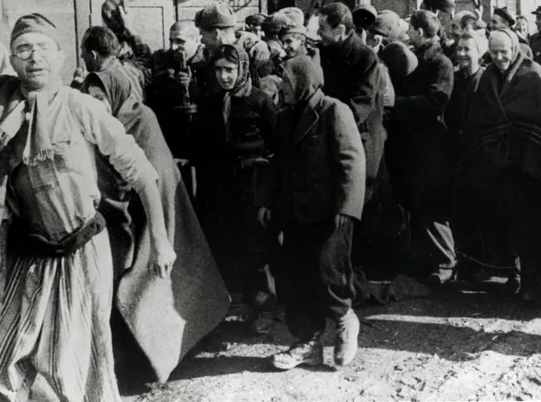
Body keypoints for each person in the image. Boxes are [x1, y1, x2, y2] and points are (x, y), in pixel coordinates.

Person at [0, 0, 175, 401]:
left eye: (43, 47)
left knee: (69, 367)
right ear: (12, 58)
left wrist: (162, 242)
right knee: (7, 365)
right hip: (24, 254)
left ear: (61, 57)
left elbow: (142, 173)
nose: (34, 57)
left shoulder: (82, 107)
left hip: (81, 253)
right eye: (23, 48)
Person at [83, 68, 227, 383]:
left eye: (100, 97)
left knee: (157, 283)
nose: (94, 104)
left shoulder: (141, 119)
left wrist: (156, 233)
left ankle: (167, 351)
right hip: (120, 211)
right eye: (88, 97)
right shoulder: (95, 124)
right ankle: (132, 358)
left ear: (115, 96)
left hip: (154, 210)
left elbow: (156, 174)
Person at [259, 55, 365, 370]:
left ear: (303, 81)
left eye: (287, 81)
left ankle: (345, 319)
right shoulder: (283, 117)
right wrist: (266, 201)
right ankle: (307, 342)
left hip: (328, 214)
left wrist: (347, 207)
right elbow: (276, 164)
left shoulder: (334, 111)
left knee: (327, 272)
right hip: (294, 213)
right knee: (295, 277)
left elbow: (351, 160)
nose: (282, 86)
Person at [457, 28, 541, 302]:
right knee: (504, 222)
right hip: (499, 166)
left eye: (504, 51)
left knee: (531, 223)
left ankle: (532, 280)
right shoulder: (488, 78)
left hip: (530, 165)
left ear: (515, 49)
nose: (499, 58)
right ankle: (513, 274)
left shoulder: (533, 74)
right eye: (493, 52)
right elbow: (480, 118)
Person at [191, 43, 278, 328]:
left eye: (230, 69)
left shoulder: (260, 101)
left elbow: (276, 148)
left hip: (251, 184)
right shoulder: (210, 101)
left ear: (242, 69)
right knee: (225, 242)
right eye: (218, 70)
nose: (224, 76)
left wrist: (267, 194)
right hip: (220, 185)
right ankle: (234, 305)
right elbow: (202, 144)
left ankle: (262, 308)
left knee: (254, 245)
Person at [386, 10, 457, 284]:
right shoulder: (415, 58)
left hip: (430, 146)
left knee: (431, 205)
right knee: (413, 203)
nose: (407, 34)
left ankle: (446, 263)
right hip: (410, 146)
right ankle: (422, 261)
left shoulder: (440, 63)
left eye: (410, 29)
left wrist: (396, 104)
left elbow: (436, 100)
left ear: (419, 31)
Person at [318, 3, 384, 203]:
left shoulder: (365, 58)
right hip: (330, 137)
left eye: (322, 28)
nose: (318, 33)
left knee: (355, 202)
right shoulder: (323, 52)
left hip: (356, 141)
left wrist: (325, 126)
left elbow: (360, 106)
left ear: (339, 30)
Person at [446, 30, 488, 280]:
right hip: (457, 154)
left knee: (479, 212)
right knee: (460, 211)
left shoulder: (487, 80)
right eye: (459, 49)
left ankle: (480, 265)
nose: (461, 54)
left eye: (467, 50)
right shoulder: (454, 78)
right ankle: (466, 263)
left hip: (480, 157)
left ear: (480, 53)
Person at [147, 20, 206, 162]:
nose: (173, 47)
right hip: (171, 139)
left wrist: (192, 85)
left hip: (201, 139)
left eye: (180, 41)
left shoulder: (208, 61)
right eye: (171, 41)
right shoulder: (161, 59)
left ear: (197, 40)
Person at [79, 25, 145, 102]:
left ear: (94, 55)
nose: (81, 56)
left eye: (83, 51)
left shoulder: (96, 81)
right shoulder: (134, 71)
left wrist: (77, 81)